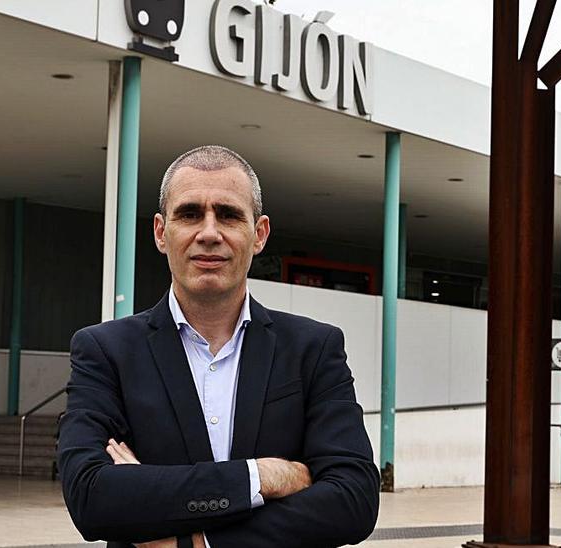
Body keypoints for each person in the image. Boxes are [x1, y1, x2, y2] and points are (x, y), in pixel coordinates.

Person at [57, 145, 380, 547]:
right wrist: (261, 476)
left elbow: (354, 500)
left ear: (258, 234)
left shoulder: (313, 349)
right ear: (161, 232)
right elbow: (92, 498)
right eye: (190, 213)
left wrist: (196, 542)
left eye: (228, 214)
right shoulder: (105, 351)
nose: (209, 233)